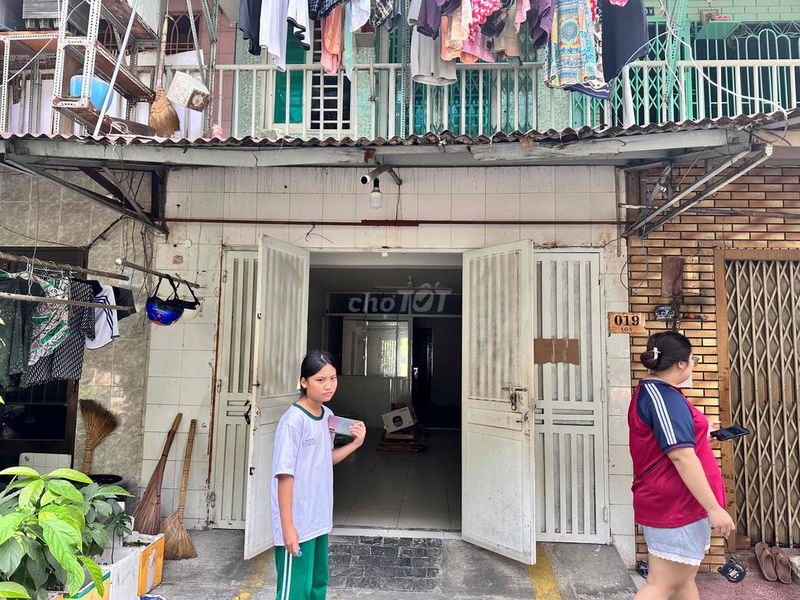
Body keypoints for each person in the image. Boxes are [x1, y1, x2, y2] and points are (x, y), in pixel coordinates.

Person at [629, 331, 734, 600]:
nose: (693, 365)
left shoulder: (661, 394)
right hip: (675, 504)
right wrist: (714, 508)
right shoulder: (664, 397)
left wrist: (701, 435)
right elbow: (681, 456)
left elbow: (674, 443)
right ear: (680, 364)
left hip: (680, 503)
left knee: (683, 582)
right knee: (662, 585)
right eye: (693, 359)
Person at [272, 350, 366, 600]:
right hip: (297, 522)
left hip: (318, 518)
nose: (328, 386)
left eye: (332, 378)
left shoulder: (328, 416)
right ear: (304, 382)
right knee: (294, 592)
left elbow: (325, 459)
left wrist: (355, 444)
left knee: (317, 586)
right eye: (320, 380)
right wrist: (288, 527)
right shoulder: (293, 421)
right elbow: (284, 476)